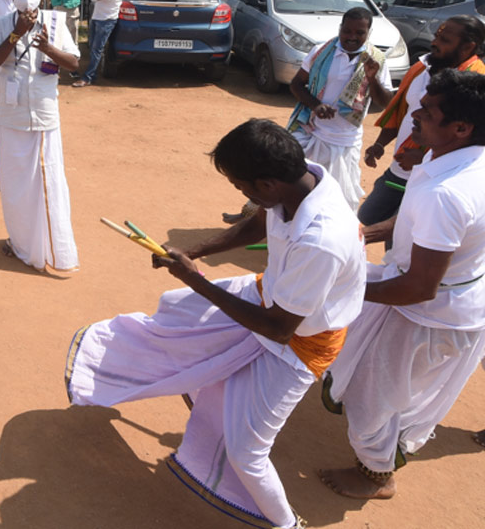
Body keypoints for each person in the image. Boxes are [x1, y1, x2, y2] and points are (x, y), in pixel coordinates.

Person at [66, 119, 365, 529]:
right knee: (176, 312)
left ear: (267, 183)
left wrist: (196, 279)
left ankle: (287, 525)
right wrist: (196, 251)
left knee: (246, 454)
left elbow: (279, 329)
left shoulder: (321, 240)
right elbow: (262, 222)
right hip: (269, 299)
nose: (241, 193)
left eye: (242, 185)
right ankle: (206, 386)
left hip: (297, 342)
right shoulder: (299, 178)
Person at [319, 70, 485, 501]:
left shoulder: (448, 192)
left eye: (427, 111)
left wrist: (346, 286)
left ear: (460, 127)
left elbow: (420, 287)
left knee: (378, 396)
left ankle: (377, 475)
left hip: (428, 312)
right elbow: (416, 221)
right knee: (343, 347)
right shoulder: (448, 158)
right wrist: (365, 234)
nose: (415, 115)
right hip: (421, 290)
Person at [0, 0, 80, 272]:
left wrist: (48, 47)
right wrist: (16, 35)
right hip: (12, 118)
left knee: (48, 181)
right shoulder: (1, 23)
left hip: (44, 117)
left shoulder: (55, 21)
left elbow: (74, 62)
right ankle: (23, 243)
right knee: (15, 185)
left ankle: (53, 251)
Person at [358, 16, 485, 227]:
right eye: (437, 36)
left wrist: (425, 158)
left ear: (467, 47)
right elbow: (400, 110)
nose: (435, 42)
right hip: (399, 171)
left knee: (402, 238)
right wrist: (380, 143)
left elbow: (474, 139)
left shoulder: (475, 84)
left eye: (445, 40)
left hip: (434, 179)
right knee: (367, 217)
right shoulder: (422, 67)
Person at [285, 7, 392, 211]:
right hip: (313, 132)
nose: (352, 37)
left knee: (339, 200)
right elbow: (296, 85)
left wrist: (372, 78)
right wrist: (316, 106)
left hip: (346, 141)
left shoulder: (376, 59)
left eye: (359, 33)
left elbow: (385, 101)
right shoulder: (321, 51)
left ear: (368, 34)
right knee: (293, 184)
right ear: (340, 28)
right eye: (347, 31)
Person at [76, 0, 125, 87]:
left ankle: (87, 77)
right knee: (92, 47)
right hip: (97, 16)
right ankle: (93, 75)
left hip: (107, 18)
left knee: (97, 49)